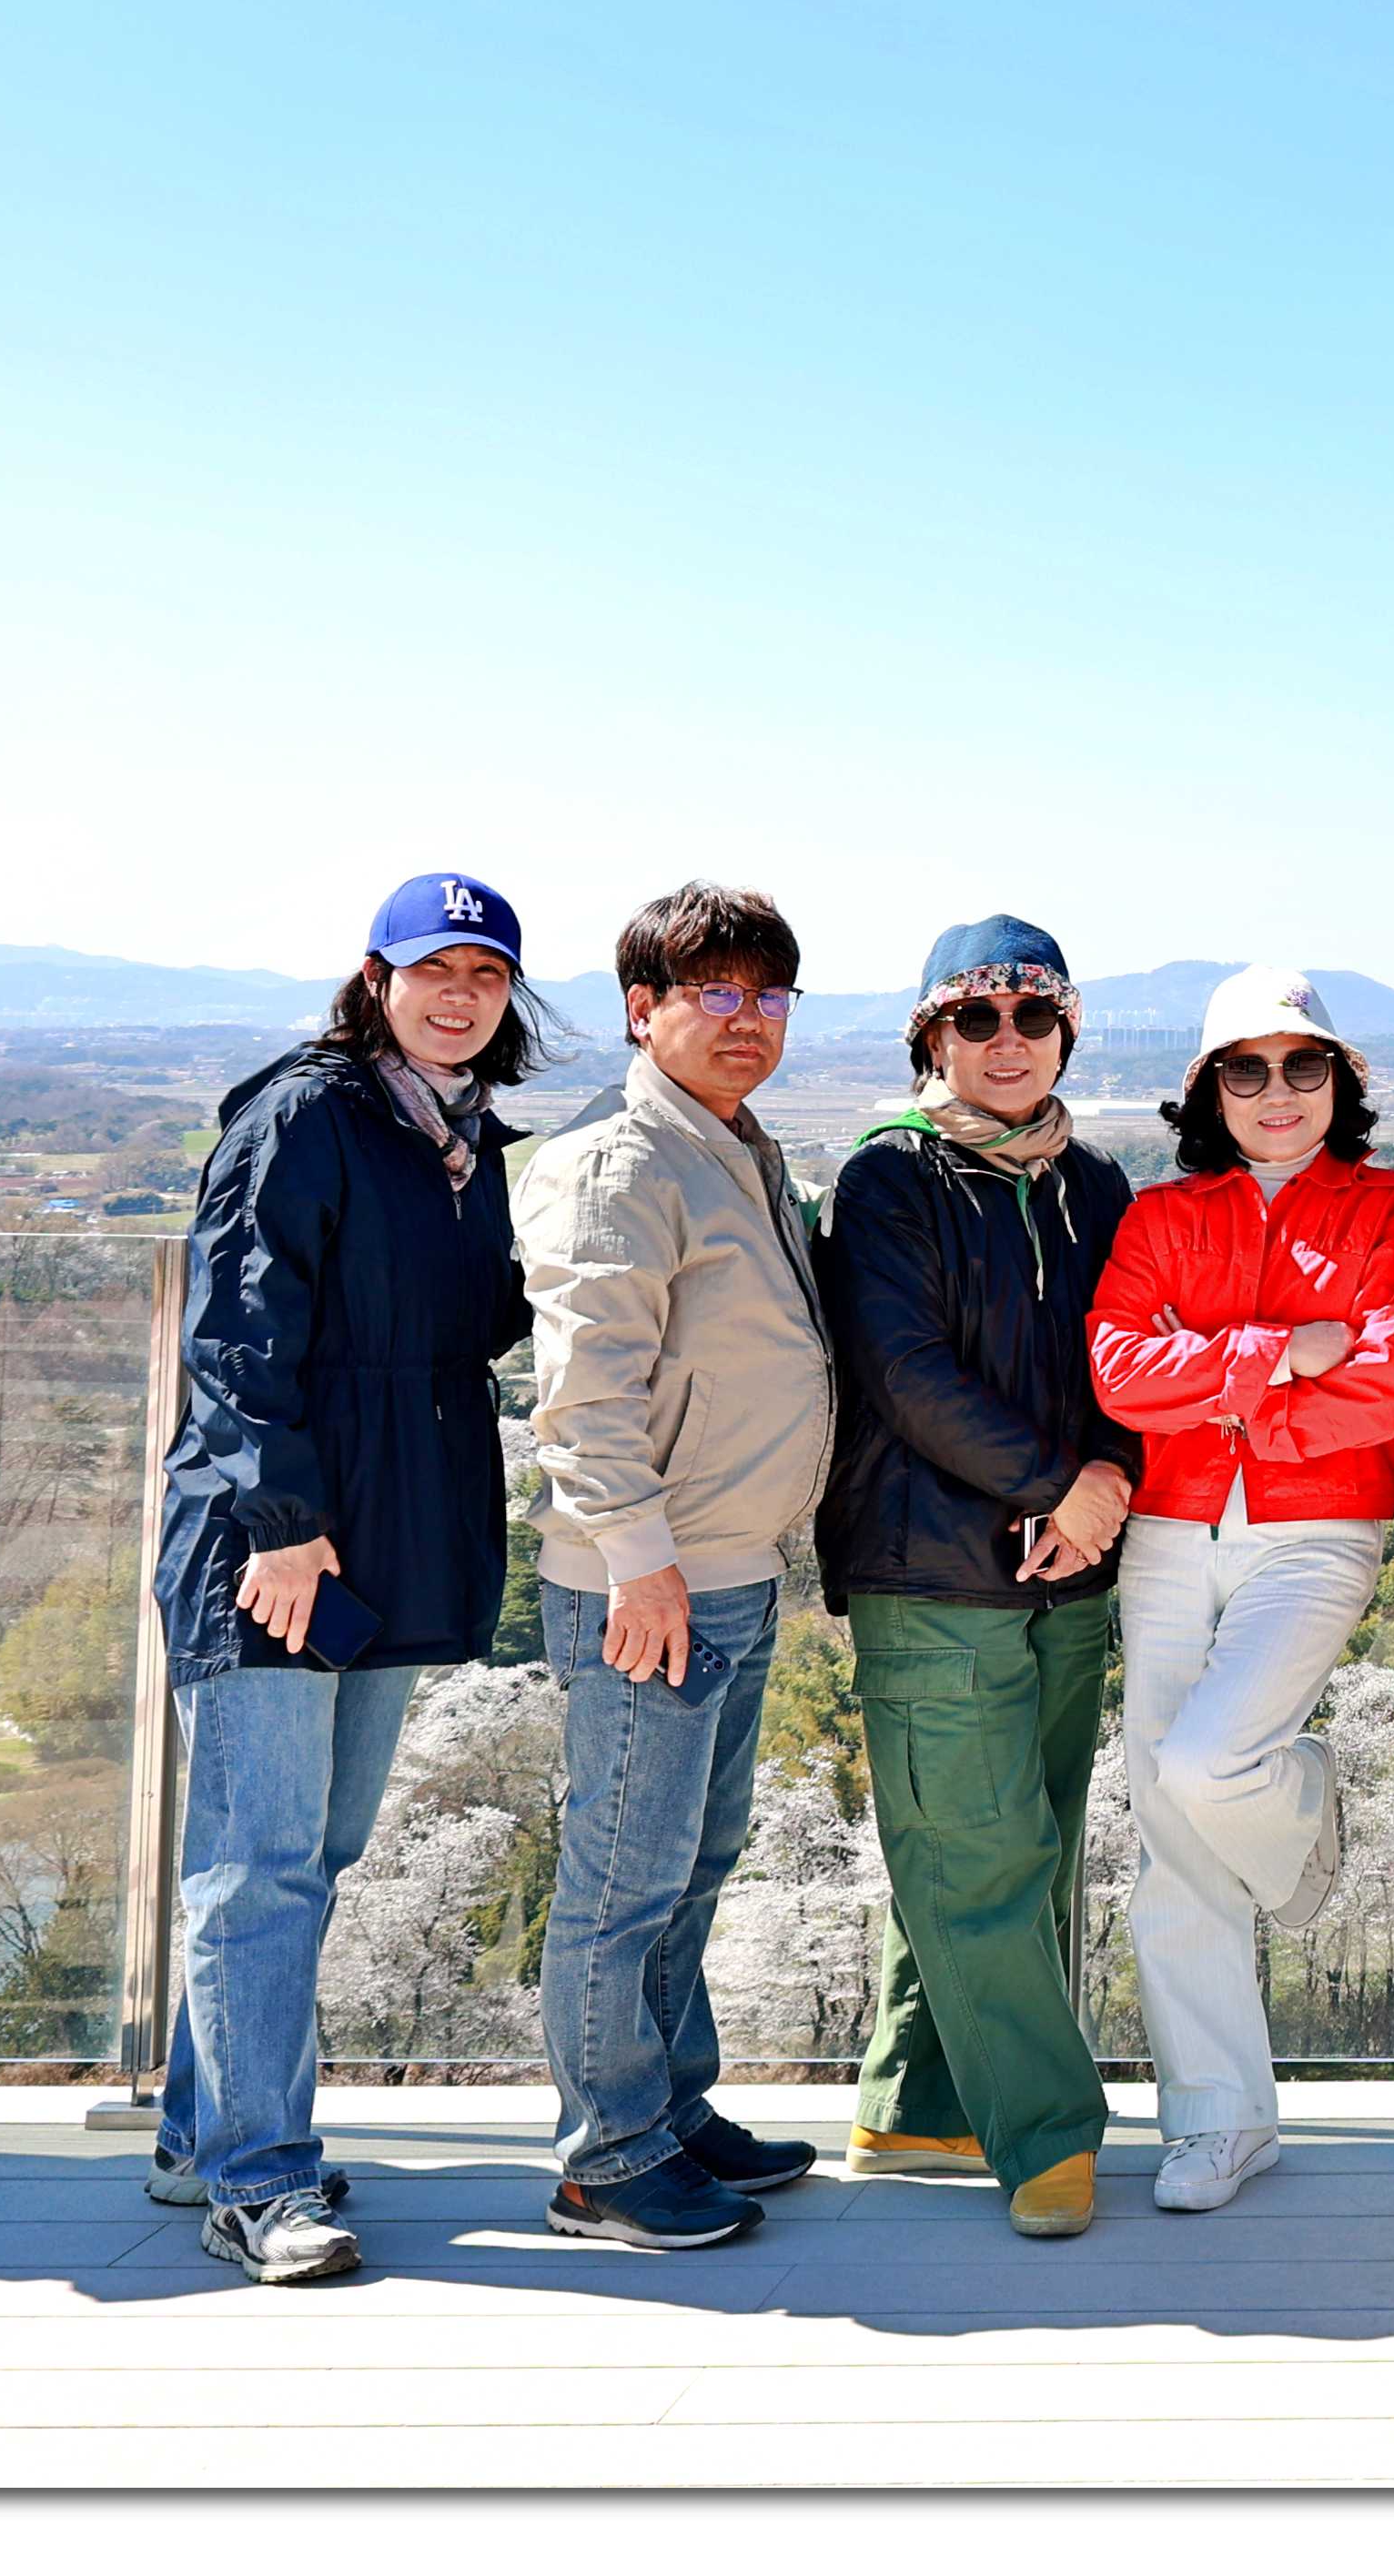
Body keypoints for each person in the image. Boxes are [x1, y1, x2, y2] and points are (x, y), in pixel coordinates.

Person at [143, 872, 542, 2282]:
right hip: (276, 1548)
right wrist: (281, 1522)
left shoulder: (463, 1140)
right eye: (432, 970)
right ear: (375, 980)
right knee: (257, 1865)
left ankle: (199, 2131)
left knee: (307, 1857)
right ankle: (258, 2182)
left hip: (391, 1542)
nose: (458, 995)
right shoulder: (306, 1114)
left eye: (484, 974)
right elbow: (236, 1333)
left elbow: (478, 1322)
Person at [516, 882, 838, 2251]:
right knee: (621, 1875)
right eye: (715, 992)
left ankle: (669, 2107)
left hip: (730, 1564)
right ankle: (606, 2157)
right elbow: (584, 1392)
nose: (746, 1018)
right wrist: (639, 1565)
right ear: (642, 1009)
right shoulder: (620, 1162)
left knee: (692, 1861)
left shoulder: (731, 1144)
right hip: (648, 1580)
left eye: (768, 994)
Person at [1086, 966, 1394, 2217]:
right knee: (1170, 1838)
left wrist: (1228, 1400)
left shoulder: (1391, 1208)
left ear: (1339, 1082)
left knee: (1205, 1763)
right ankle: (1219, 2120)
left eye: (1303, 1066)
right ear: (1209, 1089)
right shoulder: (1159, 1215)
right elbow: (1119, 1372)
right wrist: (1280, 1352)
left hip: (1318, 1533)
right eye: (1247, 1068)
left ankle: (1299, 1801)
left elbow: (1387, 1388)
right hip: (1169, 1531)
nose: (1277, 1091)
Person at [816, 915, 1141, 2240]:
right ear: (931, 1037)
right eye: (976, 1019)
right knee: (974, 1856)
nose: (1007, 1042)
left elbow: (1136, 1347)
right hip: (931, 1567)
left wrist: (1106, 1479)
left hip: (1070, 1565)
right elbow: (905, 1374)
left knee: (1029, 1845)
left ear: (1065, 1033)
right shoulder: (887, 1180)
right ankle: (1047, 2136)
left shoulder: (1096, 1184)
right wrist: (1059, 1484)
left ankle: (919, 2100)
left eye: (1033, 1017)